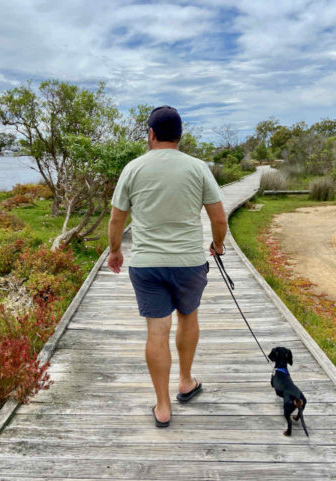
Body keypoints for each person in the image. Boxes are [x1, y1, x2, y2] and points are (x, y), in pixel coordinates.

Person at [107, 105, 227, 427]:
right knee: (188, 317)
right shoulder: (198, 167)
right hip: (189, 262)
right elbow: (219, 217)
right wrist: (217, 245)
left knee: (156, 331)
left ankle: (162, 407)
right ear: (180, 135)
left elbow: (117, 217)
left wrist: (115, 251)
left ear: (151, 134)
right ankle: (186, 382)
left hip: (147, 265)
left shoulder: (133, 168)